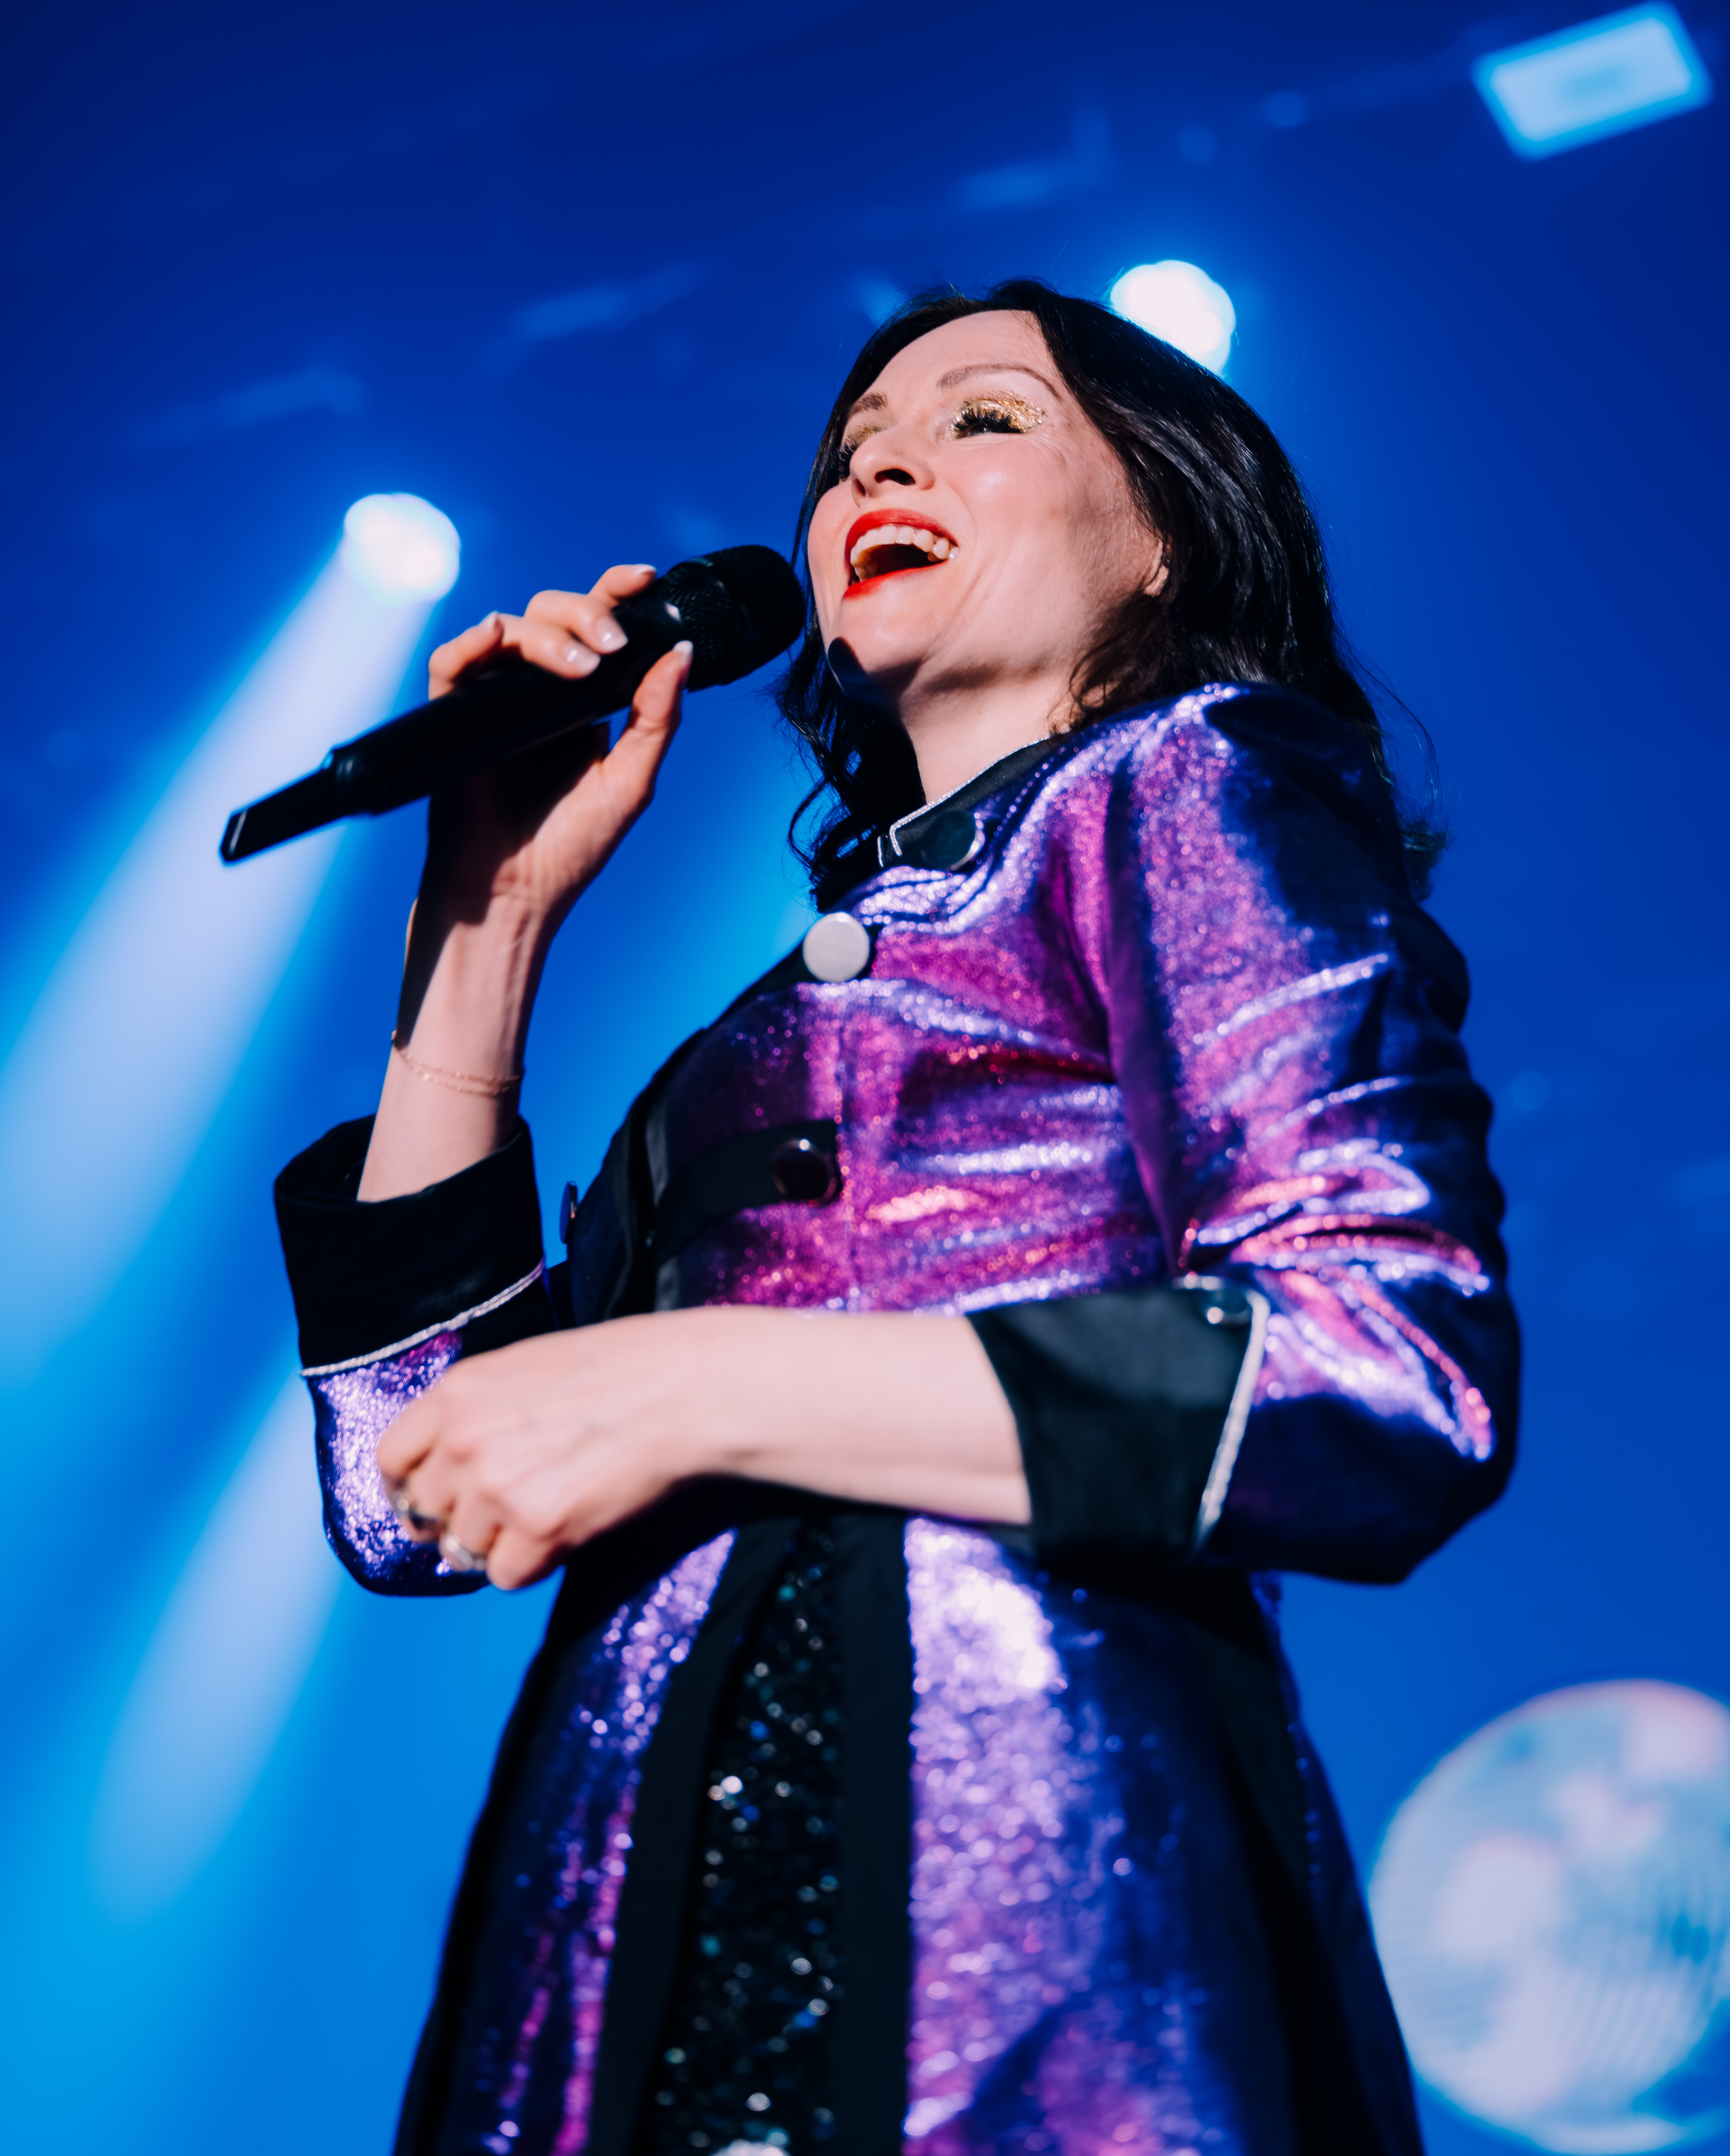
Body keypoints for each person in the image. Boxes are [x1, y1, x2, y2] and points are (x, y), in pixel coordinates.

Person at [276, 281, 1517, 2156]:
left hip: (1012, 1925)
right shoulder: (757, 1036)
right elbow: (407, 1488)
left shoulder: (1186, 777)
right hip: (618, 1938)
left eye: (984, 419)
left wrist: (700, 1386)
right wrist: (484, 928)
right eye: (852, 449)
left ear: (1165, 531)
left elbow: (1387, 1364)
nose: (883, 468)